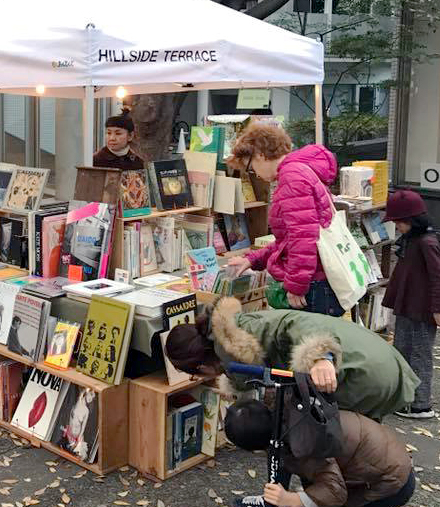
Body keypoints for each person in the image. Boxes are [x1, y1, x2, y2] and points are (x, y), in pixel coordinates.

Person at [164, 296, 419, 421]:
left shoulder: (240, 342)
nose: (200, 378)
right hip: (372, 355)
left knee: (334, 448)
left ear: (201, 365)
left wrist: (321, 356)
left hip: (361, 371)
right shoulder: (238, 328)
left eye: (195, 374)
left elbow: (297, 323)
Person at [226, 124, 343, 316]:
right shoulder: (300, 171)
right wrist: (252, 259)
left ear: (260, 155)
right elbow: (290, 239)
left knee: (311, 345)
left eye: (251, 167)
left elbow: (302, 238)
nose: (255, 173)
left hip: (313, 286)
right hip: (318, 282)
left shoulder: (292, 177)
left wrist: (296, 286)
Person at [225, 399, 415, 507]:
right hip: (387, 457)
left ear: (252, 448)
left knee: (322, 499)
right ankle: (272, 503)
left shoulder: (302, 447)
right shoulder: (285, 411)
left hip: (390, 484)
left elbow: (335, 492)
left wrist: (292, 500)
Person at [382, 189, 440, 419]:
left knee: (419, 355)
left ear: (411, 221)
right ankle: (405, 398)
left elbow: (437, 276)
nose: (397, 227)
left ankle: (420, 404)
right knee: (403, 350)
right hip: (407, 306)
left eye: (399, 222)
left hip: (422, 309)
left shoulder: (427, 242)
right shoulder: (411, 239)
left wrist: (437, 308)